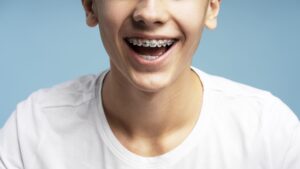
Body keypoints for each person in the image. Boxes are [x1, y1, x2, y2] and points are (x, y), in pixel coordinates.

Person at [0, 0, 299, 168]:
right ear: (90, 6)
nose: (149, 12)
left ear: (211, 6)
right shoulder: (31, 134)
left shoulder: (270, 137)